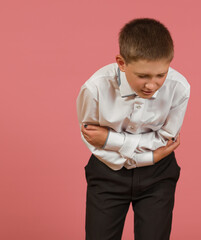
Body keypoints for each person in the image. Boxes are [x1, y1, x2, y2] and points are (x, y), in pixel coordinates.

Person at [76, 18, 190, 240]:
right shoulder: (95, 88)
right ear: (121, 62)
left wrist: (111, 139)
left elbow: (166, 140)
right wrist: (150, 152)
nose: (151, 85)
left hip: (158, 173)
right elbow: (91, 137)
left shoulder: (179, 87)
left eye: (160, 75)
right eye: (143, 76)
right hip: (107, 171)